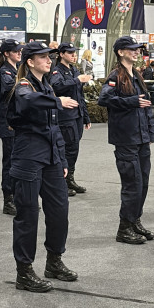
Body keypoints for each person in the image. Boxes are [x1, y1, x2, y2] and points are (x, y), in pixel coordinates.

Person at [7, 41, 79, 292]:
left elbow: (54, 128)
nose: (49, 60)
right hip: (28, 157)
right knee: (28, 215)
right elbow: (28, 102)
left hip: (51, 159)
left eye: (49, 57)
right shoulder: (23, 86)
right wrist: (57, 101)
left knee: (60, 211)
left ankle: (54, 261)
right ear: (29, 62)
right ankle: (24, 272)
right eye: (43, 57)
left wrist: (62, 160)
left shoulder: (46, 85)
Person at [98, 36, 154, 244]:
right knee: (132, 183)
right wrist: (130, 101)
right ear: (121, 52)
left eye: (137, 49)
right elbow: (103, 99)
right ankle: (124, 227)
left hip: (140, 137)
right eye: (131, 49)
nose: (136, 52)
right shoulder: (116, 75)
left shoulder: (136, 75)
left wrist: (150, 132)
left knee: (144, 183)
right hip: (126, 138)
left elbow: (146, 104)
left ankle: (134, 221)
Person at [51, 43, 91, 197]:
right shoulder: (57, 70)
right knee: (66, 149)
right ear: (61, 54)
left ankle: (70, 179)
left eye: (74, 53)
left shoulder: (74, 70)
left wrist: (85, 115)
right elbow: (57, 86)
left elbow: (79, 95)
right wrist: (77, 80)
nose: (74, 55)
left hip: (77, 115)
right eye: (70, 53)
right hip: (65, 116)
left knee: (74, 148)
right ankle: (61, 181)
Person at [0, 40, 22, 216]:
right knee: (10, 162)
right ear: (7, 53)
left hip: (19, 121)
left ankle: (18, 196)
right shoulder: (5, 71)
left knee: (19, 160)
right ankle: (8, 199)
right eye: (15, 51)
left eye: (20, 50)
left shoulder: (17, 70)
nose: (19, 53)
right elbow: (10, 89)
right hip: (9, 122)